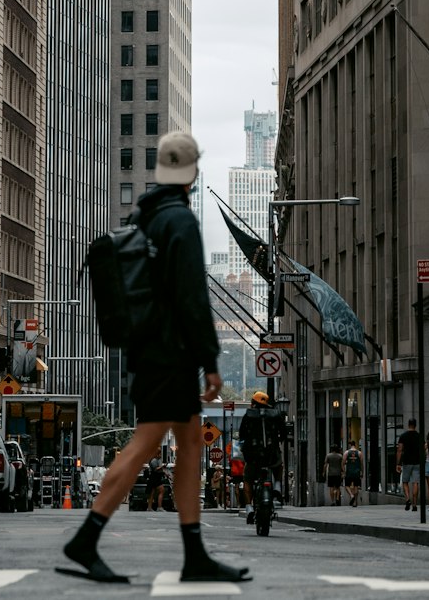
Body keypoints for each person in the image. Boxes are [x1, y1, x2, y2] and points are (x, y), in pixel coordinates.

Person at [62, 132, 250, 585]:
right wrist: (210, 361)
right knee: (145, 445)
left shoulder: (145, 216)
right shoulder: (180, 223)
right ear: (193, 174)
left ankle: (195, 553)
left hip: (150, 350)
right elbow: (191, 297)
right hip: (170, 355)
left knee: (189, 445)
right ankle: (86, 537)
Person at [238, 390, 285, 521]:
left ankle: (248, 507)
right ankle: (277, 487)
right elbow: (284, 432)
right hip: (271, 455)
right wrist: (277, 441)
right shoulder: (275, 414)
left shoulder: (248, 415)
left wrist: (244, 446)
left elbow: (242, 434)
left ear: (253, 403)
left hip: (253, 457)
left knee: (247, 479)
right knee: (279, 465)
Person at [396, 419, 423, 511]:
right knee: (415, 482)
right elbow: (423, 449)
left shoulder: (403, 436)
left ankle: (407, 499)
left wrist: (398, 463)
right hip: (417, 462)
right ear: (415, 425)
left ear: (408, 425)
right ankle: (415, 504)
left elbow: (399, 450)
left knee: (405, 481)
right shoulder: (419, 436)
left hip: (406, 461)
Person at [343, 439, 364, 507]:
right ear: (355, 445)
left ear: (350, 445)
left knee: (347, 486)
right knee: (356, 487)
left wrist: (343, 471)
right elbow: (361, 464)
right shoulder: (359, 453)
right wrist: (362, 472)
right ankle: (355, 502)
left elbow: (343, 463)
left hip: (349, 472)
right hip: (357, 472)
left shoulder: (346, 452)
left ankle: (351, 495)